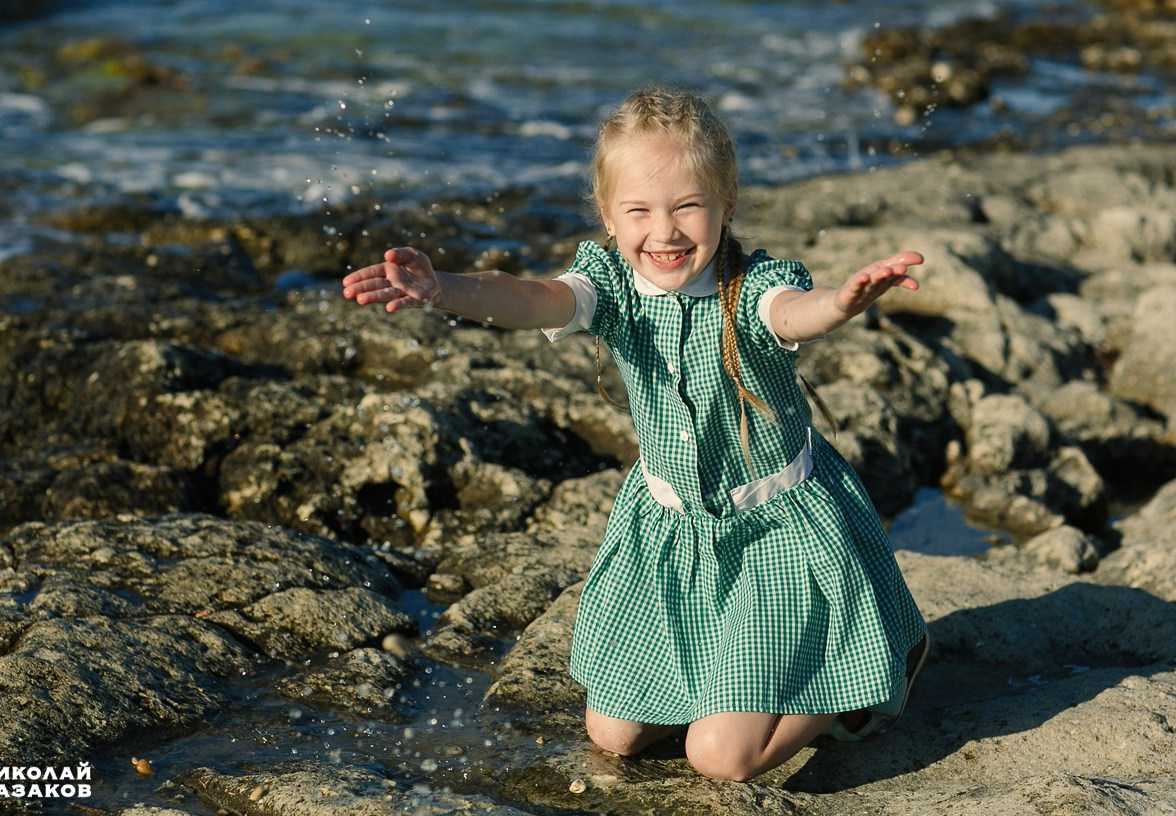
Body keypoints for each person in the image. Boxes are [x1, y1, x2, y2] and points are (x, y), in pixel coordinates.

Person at [342, 85, 929, 782]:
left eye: (687, 206)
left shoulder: (756, 286)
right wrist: (445, 290)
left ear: (726, 201)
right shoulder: (610, 286)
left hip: (776, 545)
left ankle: (868, 674)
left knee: (718, 758)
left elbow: (796, 313)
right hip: (673, 542)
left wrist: (841, 302)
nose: (666, 232)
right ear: (607, 215)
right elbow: (530, 298)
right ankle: (735, 680)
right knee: (613, 732)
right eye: (640, 211)